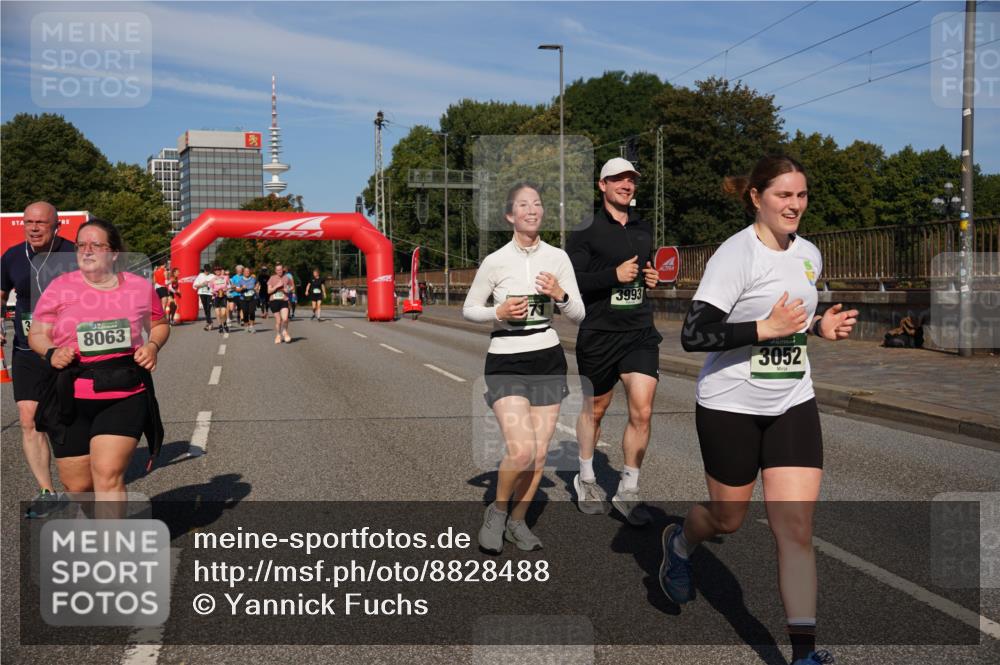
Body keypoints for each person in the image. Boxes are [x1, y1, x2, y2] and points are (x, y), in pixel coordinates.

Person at [659, 156, 857, 665]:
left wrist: (818, 328)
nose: (795, 205)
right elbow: (694, 334)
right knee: (729, 517)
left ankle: (804, 655)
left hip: (792, 399)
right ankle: (679, 542)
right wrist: (760, 331)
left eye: (802, 195)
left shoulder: (809, 254)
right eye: (784, 196)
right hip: (730, 404)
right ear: (757, 197)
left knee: (794, 529)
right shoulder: (735, 255)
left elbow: (792, 318)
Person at [463, 183, 584, 553]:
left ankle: (518, 522)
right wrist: (497, 312)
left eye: (537, 204)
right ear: (510, 216)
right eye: (523, 205)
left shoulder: (558, 258)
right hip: (506, 358)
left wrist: (560, 295)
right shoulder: (496, 261)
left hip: (547, 357)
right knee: (521, 450)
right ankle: (497, 513)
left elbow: (579, 314)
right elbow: (469, 309)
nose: (532, 210)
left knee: (541, 454)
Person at [28, 218, 168, 503]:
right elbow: (38, 333)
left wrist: (153, 345)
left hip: (124, 391)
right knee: (78, 487)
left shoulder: (139, 287)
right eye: (81, 245)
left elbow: (160, 322)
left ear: (114, 252)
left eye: (96, 245)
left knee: (107, 475)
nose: (86, 250)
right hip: (70, 393)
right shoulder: (59, 287)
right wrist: (52, 352)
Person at [566, 158, 661, 526]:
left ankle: (629, 490)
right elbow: (571, 281)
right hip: (599, 333)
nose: (626, 184)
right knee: (596, 409)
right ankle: (586, 477)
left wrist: (650, 277)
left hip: (639, 331)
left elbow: (644, 269)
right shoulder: (585, 230)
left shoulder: (642, 228)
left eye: (631, 179)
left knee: (643, 410)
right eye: (618, 179)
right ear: (602, 185)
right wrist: (612, 275)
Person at [0, 201, 76, 517]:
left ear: (56, 225)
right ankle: (47, 491)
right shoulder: (12, 257)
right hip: (27, 350)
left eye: (41, 223)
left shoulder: (74, 254)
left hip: (69, 349)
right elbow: (1, 294)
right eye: (28, 222)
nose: (33, 227)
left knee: (68, 419)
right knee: (29, 419)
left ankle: (82, 486)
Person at [267, 263, 293, 344]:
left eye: (280, 270)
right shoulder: (272, 278)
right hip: (274, 301)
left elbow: (292, 287)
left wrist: (287, 290)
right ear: (275, 271)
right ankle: (278, 335)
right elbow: (269, 291)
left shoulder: (287, 278)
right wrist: (277, 286)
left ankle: (285, 332)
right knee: (278, 321)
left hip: (284, 300)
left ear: (283, 270)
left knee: (285, 319)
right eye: (277, 270)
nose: (279, 271)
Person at [192, 264, 215, 330]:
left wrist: (209, 283)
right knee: (205, 308)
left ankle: (209, 323)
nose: (207, 272)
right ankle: (209, 322)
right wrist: (202, 284)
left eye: (208, 270)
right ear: (204, 270)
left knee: (208, 308)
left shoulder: (212, 276)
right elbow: (195, 285)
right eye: (206, 270)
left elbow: (216, 284)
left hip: (210, 294)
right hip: (202, 293)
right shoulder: (200, 276)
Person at [209, 266, 230, 338]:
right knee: (218, 313)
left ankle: (224, 323)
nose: (218, 271)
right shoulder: (212, 279)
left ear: (221, 271)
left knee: (223, 313)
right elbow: (210, 288)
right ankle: (220, 326)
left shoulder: (225, 277)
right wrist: (215, 292)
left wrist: (226, 290)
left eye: (219, 270)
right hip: (216, 297)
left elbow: (229, 285)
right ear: (214, 272)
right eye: (216, 270)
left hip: (223, 296)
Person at [239, 266, 258, 333]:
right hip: (243, 298)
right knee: (245, 312)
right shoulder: (240, 280)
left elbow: (257, 284)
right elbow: (237, 289)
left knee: (252, 311)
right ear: (243, 272)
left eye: (248, 271)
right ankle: (246, 326)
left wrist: (256, 288)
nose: (247, 272)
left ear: (250, 272)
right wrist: (242, 288)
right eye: (245, 271)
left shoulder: (253, 279)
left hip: (253, 298)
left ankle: (252, 326)